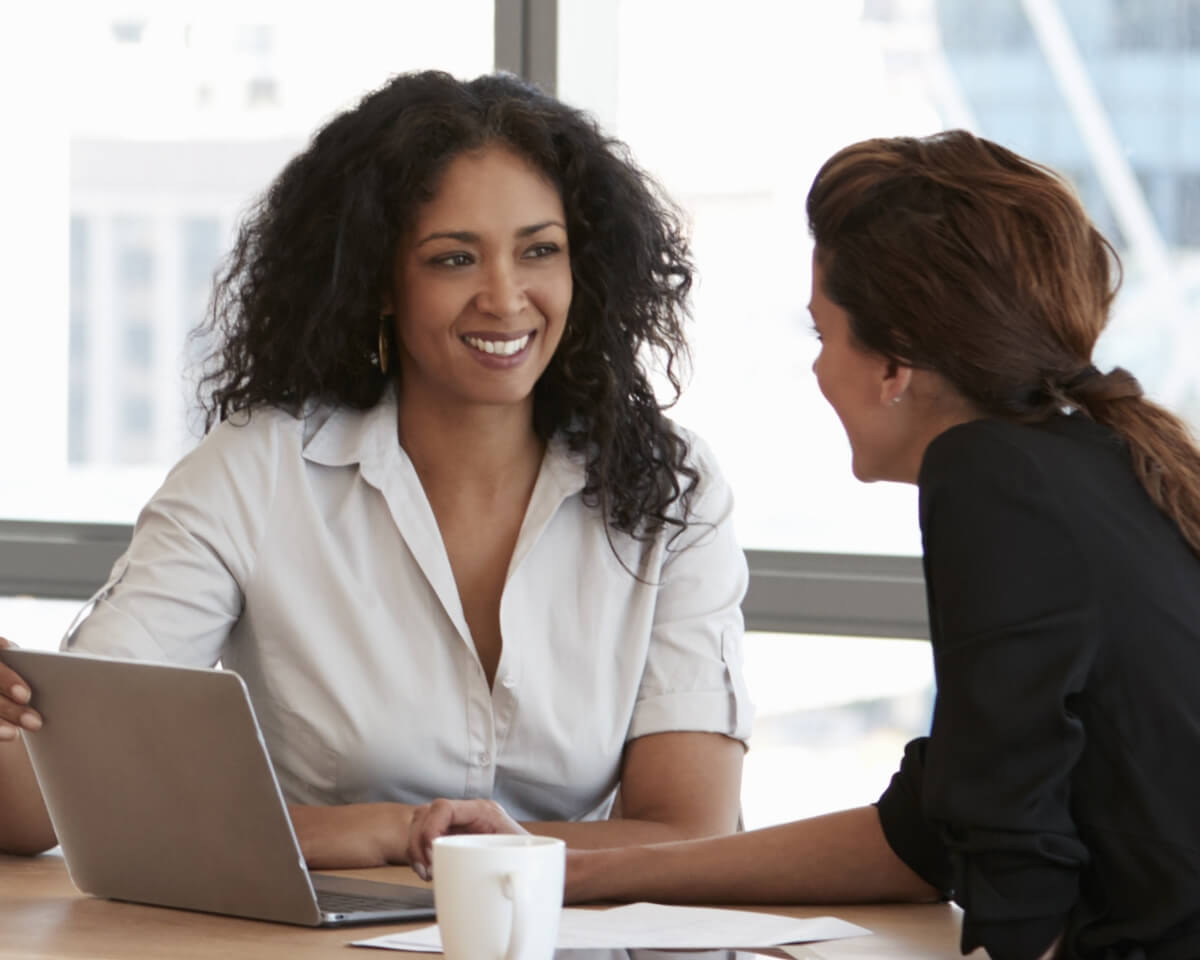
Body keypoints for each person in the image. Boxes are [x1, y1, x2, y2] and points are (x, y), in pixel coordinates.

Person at [406, 130, 1200, 960]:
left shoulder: (989, 474)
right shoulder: (1100, 464)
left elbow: (1019, 874)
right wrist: (561, 868)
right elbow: (925, 837)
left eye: (823, 336)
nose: (818, 371)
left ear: (895, 366)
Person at [0, 70, 752, 866]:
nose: (505, 297)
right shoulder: (256, 474)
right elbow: (48, 803)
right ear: (381, 282)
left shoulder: (671, 488)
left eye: (540, 250)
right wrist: (396, 832)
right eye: (453, 259)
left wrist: (441, 847)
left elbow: (690, 830)